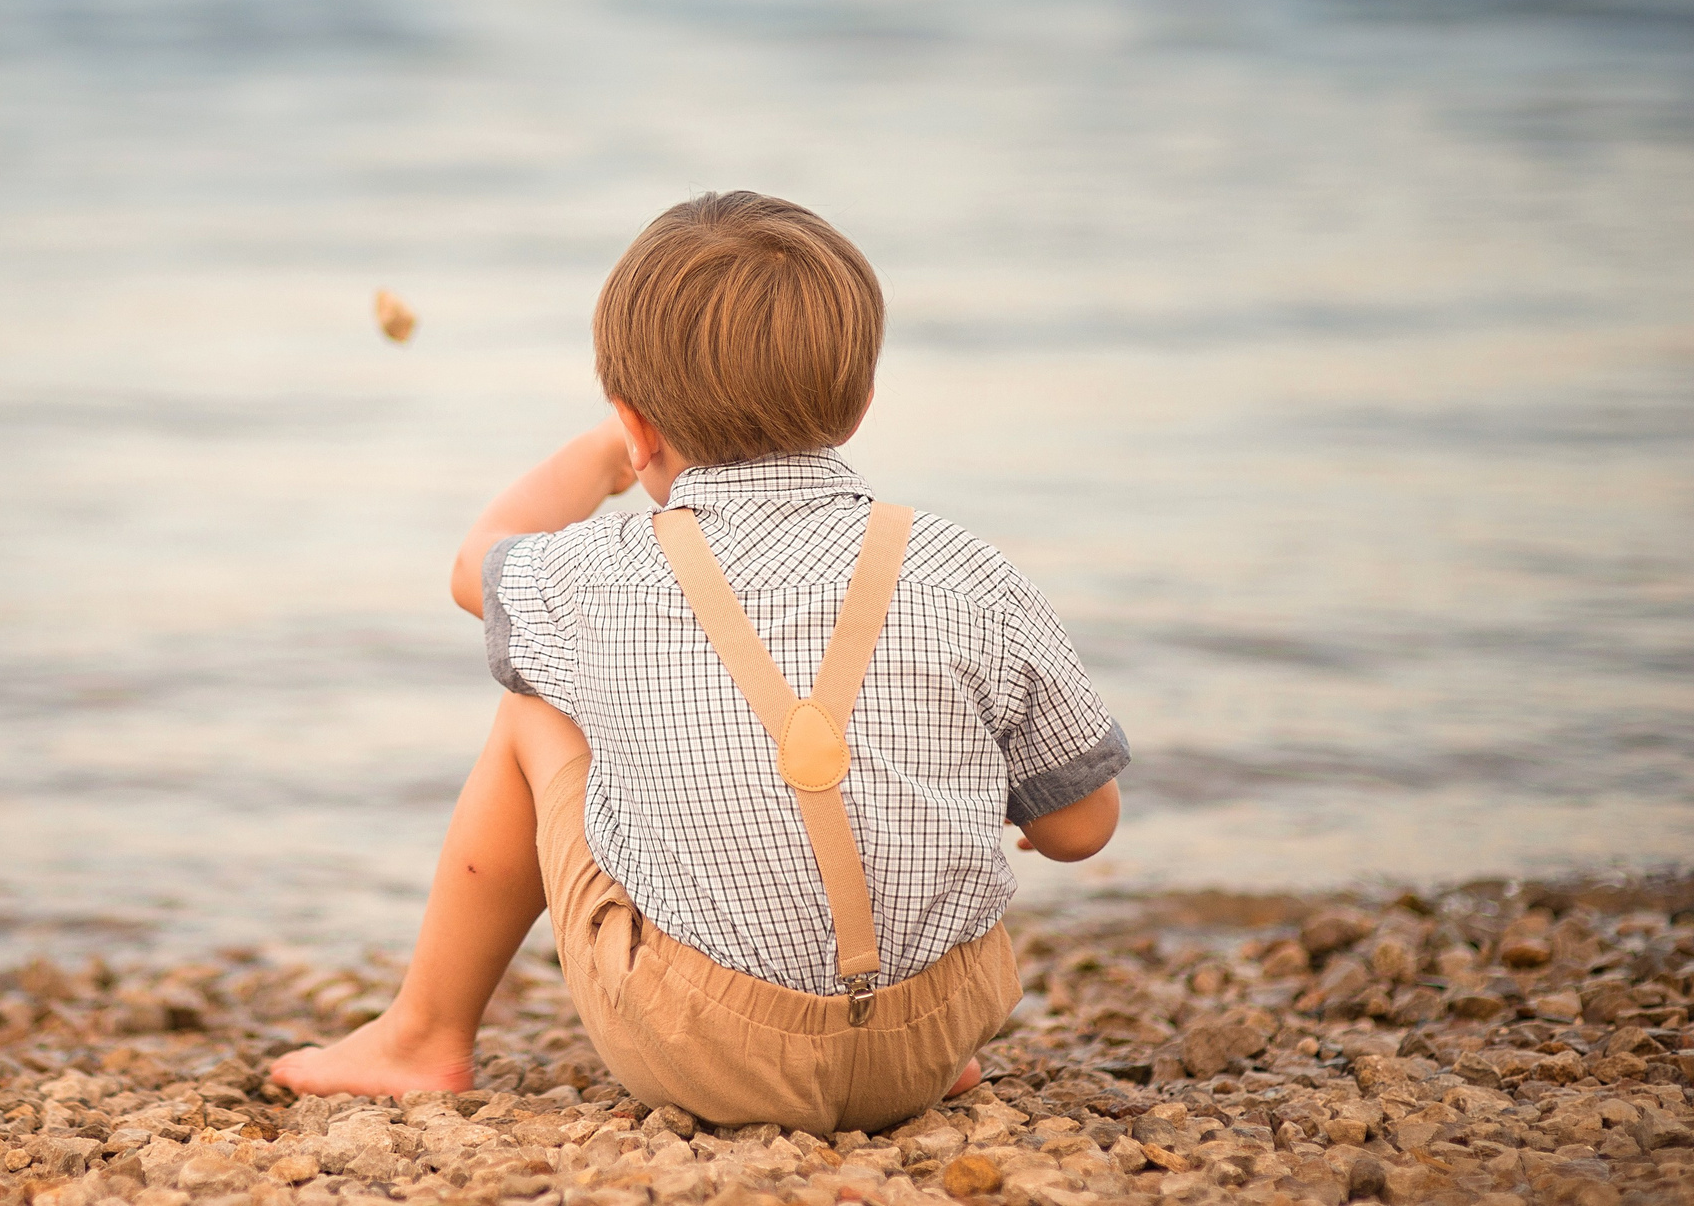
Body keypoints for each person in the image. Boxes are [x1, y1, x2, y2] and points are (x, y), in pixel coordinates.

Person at [271, 191, 1128, 1134]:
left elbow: (476, 562)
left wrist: (605, 458)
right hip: (931, 1040)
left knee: (532, 707)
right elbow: (1083, 828)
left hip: (706, 1051)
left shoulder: (601, 575)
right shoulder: (966, 566)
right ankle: (891, 1030)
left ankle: (421, 1034)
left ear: (637, 427)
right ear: (860, 408)